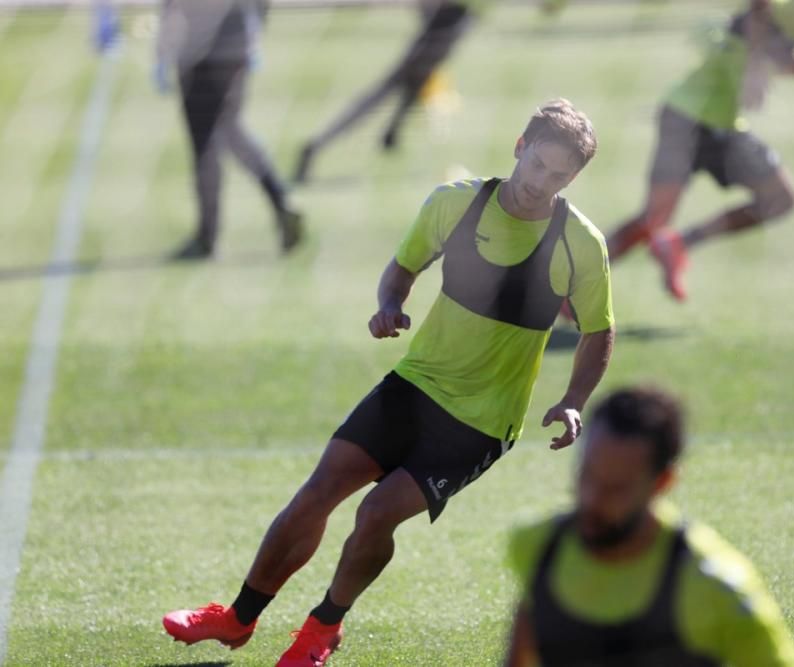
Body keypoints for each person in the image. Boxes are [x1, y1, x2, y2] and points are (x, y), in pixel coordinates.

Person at [163, 99, 615, 666]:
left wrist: (574, 400)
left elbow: (599, 331)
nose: (541, 183)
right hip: (415, 384)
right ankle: (238, 618)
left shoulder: (581, 243)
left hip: (480, 420)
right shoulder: (455, 203)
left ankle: (323, 626)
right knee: (317, 493)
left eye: (560, 175)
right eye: (539, 164)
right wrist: (389, 305)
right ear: (520, 147)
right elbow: (404, 268)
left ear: (575, 178)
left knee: (377, 513)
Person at [604, 0, 794, 301]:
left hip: (722, 125)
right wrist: (752, 64)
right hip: (685, 118)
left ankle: (679, 243)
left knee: (779, 199)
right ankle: (574, 284)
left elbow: (787, 61)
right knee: (653, 219)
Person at [505, 386, 794, 666]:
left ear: (662, 483)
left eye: (616, 488)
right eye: (587, 476)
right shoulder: (537, 547)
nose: (592, 499)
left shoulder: (715, 585)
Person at [155, 0, 303, 259]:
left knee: (205, 142)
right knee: (229, 128)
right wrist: (255, 31)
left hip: (197, 48)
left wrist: (162, 50)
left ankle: (207, 236)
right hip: (236, 47)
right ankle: (279, 199)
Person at [293, 0, 479, 183]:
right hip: (442, 28)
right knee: (380, 97)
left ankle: (390, 136)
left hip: (446, 29)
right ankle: (316, 146)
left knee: (414, 84)